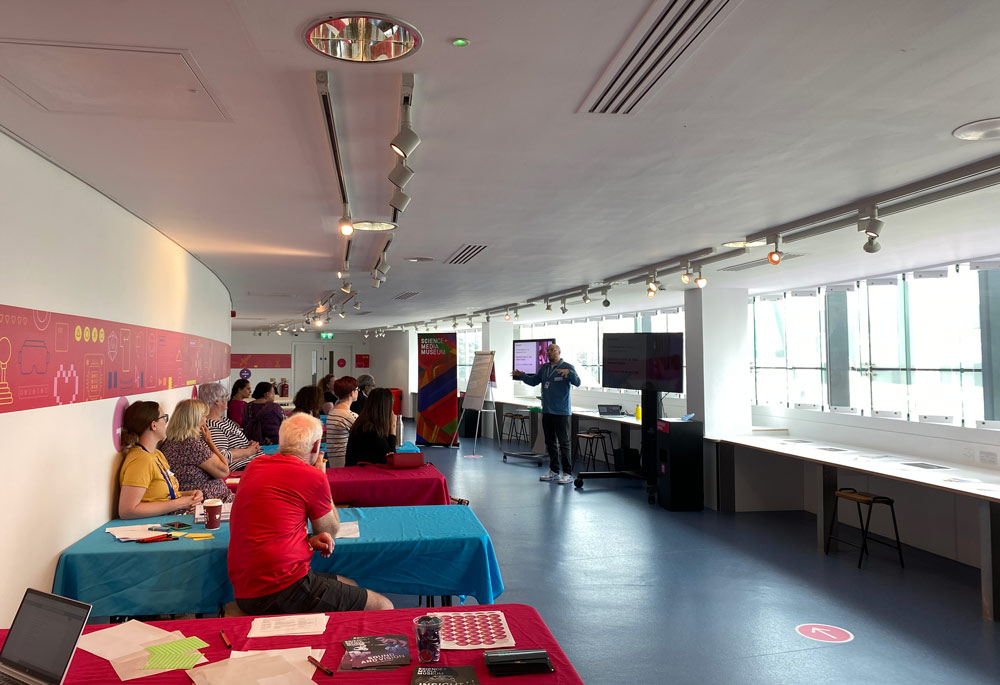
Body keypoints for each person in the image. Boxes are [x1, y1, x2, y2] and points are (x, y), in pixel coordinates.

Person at [228, 413, 393, 615]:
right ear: (316, 446)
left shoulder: (254, 467)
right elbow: (330, 530)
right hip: (280, 586)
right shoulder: (312, 476)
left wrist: (305, 541)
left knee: (350, 584)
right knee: (384, 606)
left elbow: (269, 527)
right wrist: (322, 478)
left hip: (246, 586)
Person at [118, 401, 203, 519]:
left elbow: (161, 496)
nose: (166, 422)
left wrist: (189, 496)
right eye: (164, 418)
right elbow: (127, 510)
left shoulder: (157, 454)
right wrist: (179, 503)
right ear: (153, 425)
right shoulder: (141, 461)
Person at [512, 343, 581, 484]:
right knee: (550, 442)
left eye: (553, 350)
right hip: (547, 410)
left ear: (559, 352)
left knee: (564, 442)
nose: (549, 352)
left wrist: (570, 374)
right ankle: (554, 471)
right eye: (548, 350)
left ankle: (567, 473)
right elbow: (533, 381)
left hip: (561, 411)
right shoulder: (544, 368)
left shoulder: (567, 367)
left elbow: (578, 382)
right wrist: (522, 376)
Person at [160, 399, 234, 503]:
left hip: (203, 497)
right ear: (195, 419)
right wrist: (210, 442)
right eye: (204, 416)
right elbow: (224, 471)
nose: (206, 420)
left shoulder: (170, 441)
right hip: (210, 500)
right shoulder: (190, 445)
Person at [199, 382, 263, 471]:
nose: (227, 400)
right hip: (244, 468)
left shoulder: (225, 421)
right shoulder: (212, 427)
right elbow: (222, 458)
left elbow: (232, 447)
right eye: (225, 397)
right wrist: (248, 451)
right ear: (216, 401)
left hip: (253, 463)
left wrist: (249, 445)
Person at [345, 387, 396, 466]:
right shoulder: (372, 430)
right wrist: (393, 428)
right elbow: (391, 457)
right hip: (363, 474)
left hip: (356, 472)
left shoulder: (362, 423)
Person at [325, 376, 358, 468]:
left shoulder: (333, 411)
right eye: (357, 389)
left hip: (333, 460)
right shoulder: (350, 416)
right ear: (352, 393)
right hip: (345, 461)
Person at [244, 381, 285, 445]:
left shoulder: (247, 407)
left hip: (251, 444)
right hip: (272, 444)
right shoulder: (275, 407)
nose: (274, 395)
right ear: (267, 394)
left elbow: (244, 424)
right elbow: (283, 424)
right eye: (273, 392)